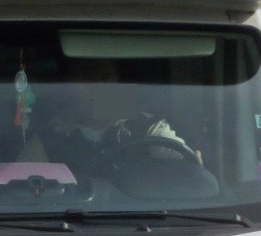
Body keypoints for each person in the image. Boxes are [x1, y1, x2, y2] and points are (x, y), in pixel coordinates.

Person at [19, 57, 199, 175]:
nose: (97, 85)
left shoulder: (147, 125)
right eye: (87, 77)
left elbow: (188, 169)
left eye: (104, 76)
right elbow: (21, 183)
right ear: (69, 85)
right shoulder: (49, 133)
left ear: (117, 82)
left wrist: (192, 163)